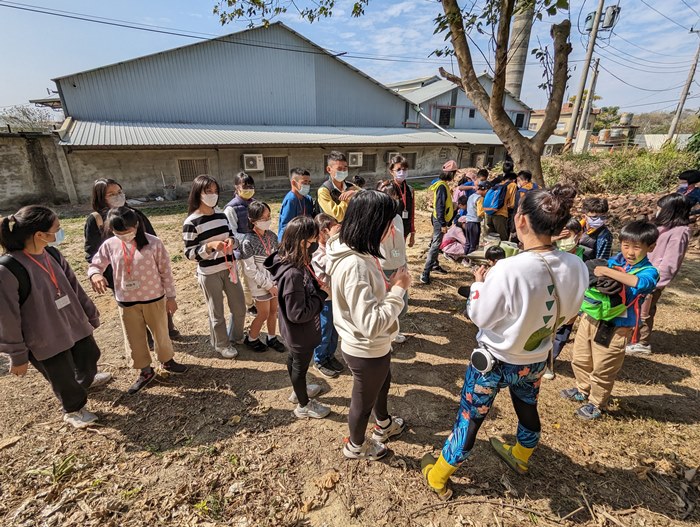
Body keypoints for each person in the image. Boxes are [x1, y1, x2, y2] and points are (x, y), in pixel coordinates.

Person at [421, 185, 588, 499]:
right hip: (535, 359)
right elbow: (569, 315)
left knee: (471, 418)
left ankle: (439, 474)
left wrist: (478, 285)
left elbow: (480, 315)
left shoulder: (508, 269)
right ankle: (521, 456)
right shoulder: (576, 265)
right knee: (527, 408)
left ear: (521, 220)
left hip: (493, 362)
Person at [0, 206, 112, 428]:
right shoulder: (8, 269)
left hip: (72, 323)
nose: (60, 233)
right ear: (39, 235)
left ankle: (84, 382)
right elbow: (7, 318)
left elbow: (74, 286)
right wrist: (18, 355)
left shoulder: (53, 254)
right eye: (57, 229)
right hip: (44, 337)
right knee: (62, 377)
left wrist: (90, 313)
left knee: (90, 356)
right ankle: (73, 409)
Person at [326, 190, 411, 460]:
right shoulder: (356, 265)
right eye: (388, 223)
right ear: (373, 224)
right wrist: (398, 290)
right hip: (366, 347)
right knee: (362, 404)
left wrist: (385, 287)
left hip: (370, 347)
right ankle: (355, 446)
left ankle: (384, 424)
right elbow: (371, 323)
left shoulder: (354, 250)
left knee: (383, 382)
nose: (391, 229)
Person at [563, 220, 660, 420]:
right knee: (580, 358)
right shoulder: (617, 260)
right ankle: (582, 389)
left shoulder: (649, 271)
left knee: (603, 366)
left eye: (636, 248)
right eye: (626, 246)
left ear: (650, 248)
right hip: (591, 317)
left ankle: (596, 403)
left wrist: (607, 272)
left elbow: (641, 283)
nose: (630, 252)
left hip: (616, 326)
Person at [88, 207, 188, 394]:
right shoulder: (110, 245)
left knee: (161, 333)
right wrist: (95, 275)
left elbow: (166, 271)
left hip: (154, 299)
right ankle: (145, 371)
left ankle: (167, 361)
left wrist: (171, 297)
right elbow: (96, 263)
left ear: (136, 225)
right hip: (126, 301)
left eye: (127, 231)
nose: (124, 235)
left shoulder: (154, 243)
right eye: (119, 232)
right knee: (134, 338)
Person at [84, 178, 180, 339]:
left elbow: (153, 240)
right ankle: (146, 338)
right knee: (133, 312)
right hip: (121, 278)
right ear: (100, 197)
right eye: (111, 194)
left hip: (148, 276)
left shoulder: (135, 214)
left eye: (120, 192)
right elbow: (92, 251)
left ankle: (167, 331)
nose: (117, 196)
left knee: (157, 305)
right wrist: (104, 274)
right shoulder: (96, 220)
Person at [265, 216, 330, 419]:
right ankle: (304, 405)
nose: (314, 246)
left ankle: (298, 389)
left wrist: (314, 284)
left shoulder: (294, 262)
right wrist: (321, 296)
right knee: (300, 366)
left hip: (295, 331)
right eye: (312, 242)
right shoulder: (292, 274)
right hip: (300, 331)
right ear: (302, 242)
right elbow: (298, 313)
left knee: (294, 360)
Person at [183, 175, 246, 359]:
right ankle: (221, 344)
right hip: (209, 272)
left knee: (239, 307)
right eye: (207, 191)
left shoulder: (221, 215)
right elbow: (189, 254)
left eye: (215, 191)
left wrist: (230, 242)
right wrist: (209, 247)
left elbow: (233, 238)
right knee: (216, 312)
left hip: (229, 268)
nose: (212, 195)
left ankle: (235, 336)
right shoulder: (191, 222)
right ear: (198, 193)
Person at [626, 194, 692, 355]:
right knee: (635, 306)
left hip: (652, 279)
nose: (657, 211)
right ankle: (631, 337)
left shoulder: (679, 232)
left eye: (661, 208)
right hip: (639, 274)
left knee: (644, 310)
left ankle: (641, 342)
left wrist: (656, 283)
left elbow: (670, 262)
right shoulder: (663, 227)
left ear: (671, 211)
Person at [238, 201, 285, 353]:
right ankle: (251, 338)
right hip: (259, 284)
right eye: (263, 218)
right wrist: (268, 285)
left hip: (273, 281)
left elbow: (278, 258)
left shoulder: (272, 236)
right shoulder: (247, 241)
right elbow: (250, 270)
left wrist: (276, 280)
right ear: (253, 220)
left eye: (269, 217)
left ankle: (272, 338)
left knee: (273, 311)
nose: (268, 221)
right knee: (263, 313)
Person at [545, 217, 588, 380]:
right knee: (546, 333)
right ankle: (543, 362)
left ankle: (550, 362)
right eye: (561, 237)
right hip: (551, 300)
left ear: (579, 236)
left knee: (561, 334)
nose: (564, 241)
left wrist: (579, 307)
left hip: (571, 303)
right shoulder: (551, 252)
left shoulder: (584, 257)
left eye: (567, 236)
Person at [376, 180, 409, 344]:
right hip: (385, 267)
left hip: (400, 264)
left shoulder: (397, 217)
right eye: (389, 196)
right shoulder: (376, 219)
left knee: (402, 305)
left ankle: (394, 331)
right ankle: (385, 337)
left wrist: (404, 262)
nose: (393, 199)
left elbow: (400, 242)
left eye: (395, 196)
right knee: (387, 303)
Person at [311, 213, 343, 379]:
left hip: (336, 297)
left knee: (334, 329)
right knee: (325, 329)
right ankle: (320, 359)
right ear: (324, 231)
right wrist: (332, 243)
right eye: (335, 227)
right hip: (325, 299)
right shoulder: (317, 252)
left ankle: (330, 355)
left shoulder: (332, 247)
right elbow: (331, 267)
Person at [224, 171, 257, 313]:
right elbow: (232, 232)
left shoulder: (254, 203)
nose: (248, 189)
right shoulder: (231, 208)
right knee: (246, 280)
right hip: (241, 251)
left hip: (256, 248)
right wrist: (249, 239)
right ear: (237, 187)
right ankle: (250, 305)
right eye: (245, 186)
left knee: (257, 275)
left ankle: (258, 300)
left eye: (251, 186)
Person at [420, 160, 457, 285]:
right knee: (436, 245)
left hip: (438, 218)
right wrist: (443, 224)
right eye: (454, 173)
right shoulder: (441, 186)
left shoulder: (443, 185)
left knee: (435, 242)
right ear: (451, 174)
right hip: (439, 220)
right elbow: (439, 205)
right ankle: (425, 272)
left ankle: (434, 265)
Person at [318, 151, 357, 222]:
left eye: (345, 168)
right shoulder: (324, 191)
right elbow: (338, 216)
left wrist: (355, 193)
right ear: (329, 169)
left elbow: (368, 196)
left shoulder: (351, 186)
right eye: (339, 169)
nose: (343, 171)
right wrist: (348, 198)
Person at [278, 168, 313, 243]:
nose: (307, 185)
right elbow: (285, 225)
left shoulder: (307, 199)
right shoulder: (291, 200)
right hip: (293, 240)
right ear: (293, 183)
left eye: (309, 182)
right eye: (304, 182)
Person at [388, 154, 416, 248]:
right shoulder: (387, 189)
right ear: (391, 171)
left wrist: (412, 233)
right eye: (398, 169)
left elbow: (412, 212)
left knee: (400, 252)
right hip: (390, 231)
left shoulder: (409, 189)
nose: (402, 172)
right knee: (393, 253)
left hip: (404, 229)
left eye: (404, 169)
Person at [463, 181, 488, 255]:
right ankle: (471, 261)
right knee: (474, 244)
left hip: (468, 221)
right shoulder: (480, 198)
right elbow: (480, 213)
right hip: (475, 223)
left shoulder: (471, 196)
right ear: (484, 190)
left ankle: (465, 259)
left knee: (468, 243)